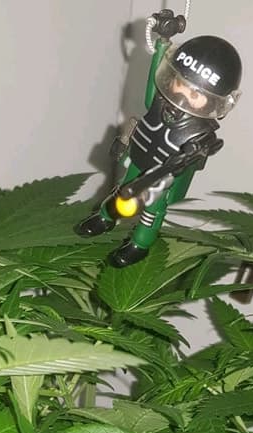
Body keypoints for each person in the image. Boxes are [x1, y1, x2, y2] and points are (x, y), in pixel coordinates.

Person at [75, 11, 242, 268]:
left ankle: (139, 245)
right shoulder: (158, 102)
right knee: (122, 192)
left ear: (214, 101)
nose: (183, 96)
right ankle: (105, 218)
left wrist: (198, 152)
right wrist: (163, 41)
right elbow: (152, 84)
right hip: (139, 158)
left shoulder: (200, 132)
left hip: (163, 176)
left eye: (195, 95)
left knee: (152, 211)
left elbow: (198, 156)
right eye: (181, 85)